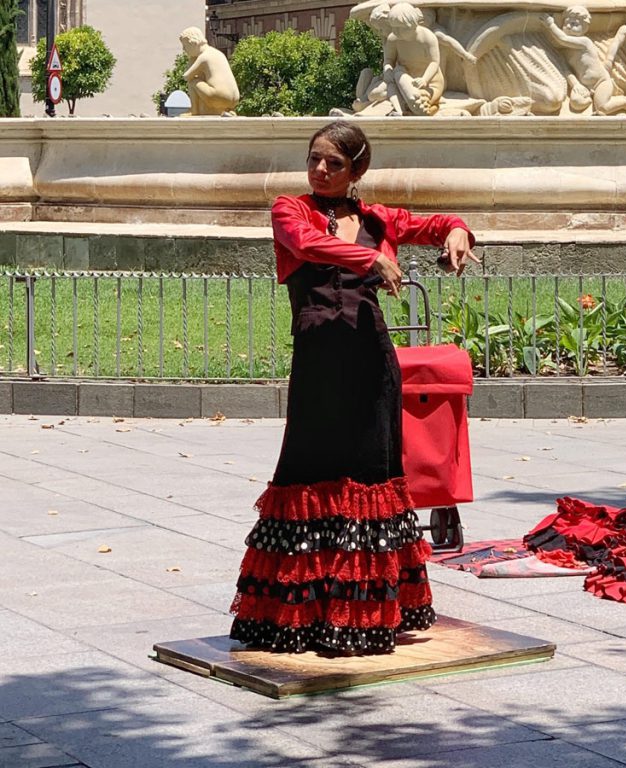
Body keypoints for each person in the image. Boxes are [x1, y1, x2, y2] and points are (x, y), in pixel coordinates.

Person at [229, 121, 478, 654]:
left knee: (371, 478)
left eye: (333, 163)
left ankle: (364, 615)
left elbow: (436, 223)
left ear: (356, 170)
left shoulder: (375, 218)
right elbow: (306, 244)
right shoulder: (289, 209)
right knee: (305, 473)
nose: (319, 169)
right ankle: (296, 615)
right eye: (314, 159)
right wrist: (371, 258)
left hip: (371, 365)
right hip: (320, 367)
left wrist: (458, 230)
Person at [178, 27, 240, 116]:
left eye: (185, 46)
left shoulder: (204, 57)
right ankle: (226, 110)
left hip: (219, 96)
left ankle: (194, 111)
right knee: (203, 78)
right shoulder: (217, 53)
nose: (184, 49)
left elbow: (186, 76)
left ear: (193, 43)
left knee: (193, 81)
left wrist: (191, 61)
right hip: (234, 100)